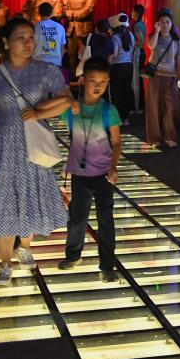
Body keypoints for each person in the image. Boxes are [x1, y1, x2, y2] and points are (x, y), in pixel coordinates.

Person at [0, 18, 73, 286]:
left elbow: (67, 100)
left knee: (30, 195)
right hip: (2, 145)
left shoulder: (46, 71)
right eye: (20, 38)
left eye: (30, 37)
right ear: (5, 42)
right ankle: (4, 263)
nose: (28, 43)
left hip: (33, 144)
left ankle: (25, 246)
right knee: (2, 198)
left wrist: (39, 113)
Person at [56, 57, 122, 282]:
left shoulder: (108, 110)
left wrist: (113, 167)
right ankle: (73, 255)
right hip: (80, 173)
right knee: (77, 217)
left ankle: (107, 265)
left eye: (103, 82)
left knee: (106, 220)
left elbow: (116, 141)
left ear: (108, 82)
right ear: (83, 80)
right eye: (93, 80)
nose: (97, 86)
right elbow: (50, 105)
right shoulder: (72, 108)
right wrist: (67, 98)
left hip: (103, 174)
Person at [145, 8, 180, 149]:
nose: (165, 24)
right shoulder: (154, 36)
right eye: (161, 22)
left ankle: (170, 136)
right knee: (153, 107)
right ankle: (154, 138)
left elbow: (179, 60)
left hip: (171, 78)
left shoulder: (176, 40)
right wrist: (156, 31)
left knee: (170, 107)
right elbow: (151, 45)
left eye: (167, 22)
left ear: (172, 23)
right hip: (155, 77)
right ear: (157, 23)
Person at [63, 0, 96, 75]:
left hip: (84, 28)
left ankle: (82, 75)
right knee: (71, 54)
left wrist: (72, 14)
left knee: (84, 55)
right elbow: (64, 8)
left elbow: (88, 9)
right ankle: (72, 74)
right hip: (71, 29)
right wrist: (68, 13)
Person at [108, 14, 135, 125]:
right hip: (129, 66)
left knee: (116, 93)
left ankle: (117, 118)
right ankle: (125, 118)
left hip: (118, 68)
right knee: (126, 91)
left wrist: (108, 62)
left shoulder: (115, 38)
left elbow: (114, 54)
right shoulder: (131, 35)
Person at [34, 2, 67, 73]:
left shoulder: (35, 28)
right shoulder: (60, 28)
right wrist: (59, 61)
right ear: (52, 13)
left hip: (38, 62)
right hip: (55, 63)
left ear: (39, 13)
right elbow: (62, 48)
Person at [130, 4, 147, 114]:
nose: (131, 13)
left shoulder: (137, 25)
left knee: (136, 80)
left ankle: (137, 107)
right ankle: (139, 106)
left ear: (136, 13)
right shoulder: (142, 24)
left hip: (137, 54)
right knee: (138, 80)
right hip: (140, 53)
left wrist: (129, 42)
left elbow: (140, 41)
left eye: (132, 11)